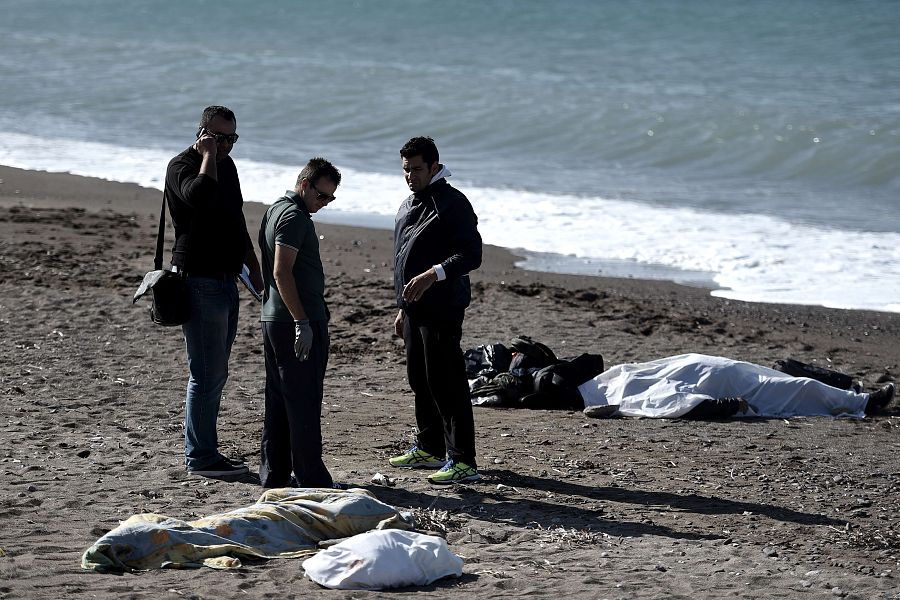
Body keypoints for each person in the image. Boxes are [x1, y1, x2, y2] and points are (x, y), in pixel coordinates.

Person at [165, 105, 263, 478]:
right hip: (198, 280)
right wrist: (208, 155)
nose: (226, 146)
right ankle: (200, 457)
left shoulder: (228, 166)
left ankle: (204, 450)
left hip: (226, 278)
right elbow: (200, 198)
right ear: (203, 133)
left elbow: (234, 217)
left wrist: (252, 264)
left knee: (216, 371)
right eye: (219, 138)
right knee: (205, 372)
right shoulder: (182, 166)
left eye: (232, 139)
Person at [389, 136, 483, 485]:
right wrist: (402, 307)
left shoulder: (452, 203)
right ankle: (430, 447)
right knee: (420, 378)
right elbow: (402, 257)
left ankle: (463, 460)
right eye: (405, 170)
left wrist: (434, 275)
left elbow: (471, 255)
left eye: (416, 169)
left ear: (433, 166)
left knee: (447, 381)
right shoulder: (410, 202)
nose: (410, 176)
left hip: (443, 306)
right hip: (414, 308)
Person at [257, 158, 341, 488]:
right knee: (303, 400)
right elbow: (280, 271)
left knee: (279, 399)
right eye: (322, 196)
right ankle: (311, 478)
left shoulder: (276, 209)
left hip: (276, 318)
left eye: (331, 198)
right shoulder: (292, 216)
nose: (324, 204)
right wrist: (301, 321)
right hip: (294, 321)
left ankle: (274, 473)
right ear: (304, 185)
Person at [579, 353, 897, 419]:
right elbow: (667, 403)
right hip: (743, 386)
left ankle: (856, 399)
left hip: (739, 373)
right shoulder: (631, 391)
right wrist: (728, 406)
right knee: (801, 387)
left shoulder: (623, 377)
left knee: (792, 380)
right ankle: (863, 403)